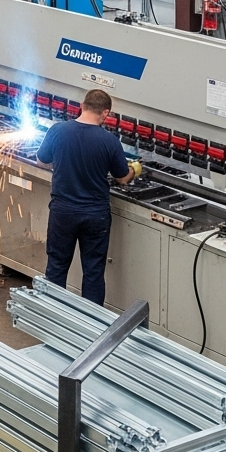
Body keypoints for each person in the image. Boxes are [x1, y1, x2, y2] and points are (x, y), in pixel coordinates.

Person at [36, 88, 142, 305]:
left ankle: (51, 314)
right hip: (95, 215)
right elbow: (122, 178)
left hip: (63, 212)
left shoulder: (58, 130)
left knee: (56, 267)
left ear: (82, 106)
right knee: (93, 272)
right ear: (106, 113)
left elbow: (41, 161)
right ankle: (92, 321)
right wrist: (135, 169)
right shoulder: (109, 141)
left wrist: (64, 163)